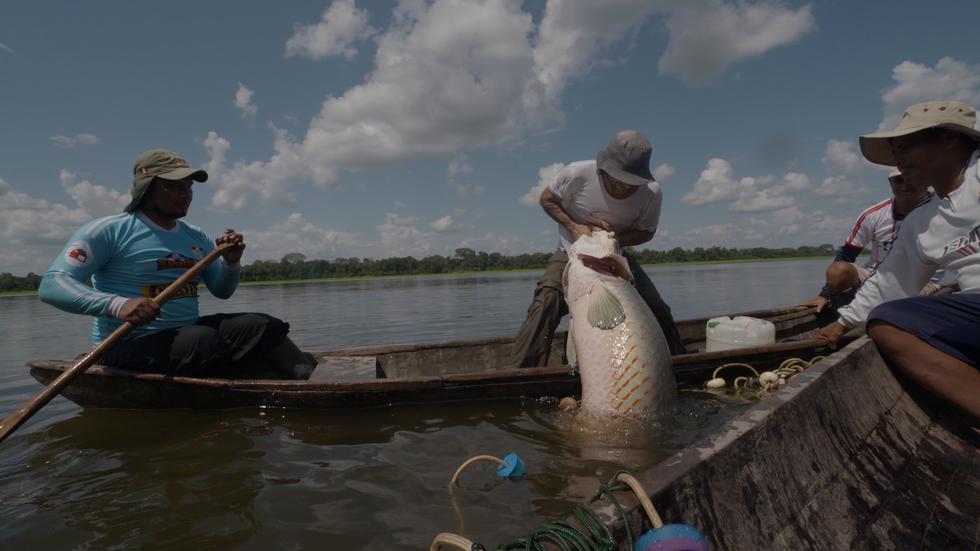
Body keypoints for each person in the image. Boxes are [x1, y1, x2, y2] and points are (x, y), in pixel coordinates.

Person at [39, 149, 317, 379]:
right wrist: (118, 304)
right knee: (202, 341)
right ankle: (256, 378)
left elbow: (221, 291)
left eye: (188, 186)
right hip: (127, 345)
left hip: (189, 334)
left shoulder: (196, 237)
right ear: (146, 188)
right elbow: (52, 284)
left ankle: (307, 379)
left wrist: (231, 264)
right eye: (173, 186)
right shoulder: (108, 231)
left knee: (261, 324)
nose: (185, 194)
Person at [815, 100, 980, 422]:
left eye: (905, 147)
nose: (898, 161)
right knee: (887, 322)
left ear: (949, 140)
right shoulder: (923, 220)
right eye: (894, 153)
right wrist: (842, 323)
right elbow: (892, 281)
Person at [511, 130, 685, 368]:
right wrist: (575, 227)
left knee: (656, 307)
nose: (624, 185)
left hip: (615, 253)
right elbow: (547, 199)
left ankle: (678, 362)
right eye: (618, 178)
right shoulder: (577, 173)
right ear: (605, 167)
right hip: (572, 251)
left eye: (631, 180)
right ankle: (522, 372)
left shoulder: (651, 194)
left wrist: (615, 237)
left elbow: (647, 231)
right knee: (546, 302)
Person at [798, 167, 938, 313]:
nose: (905, 186)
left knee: (892, 294)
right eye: (899, 180)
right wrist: (824, 295)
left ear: (925, 181)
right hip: (876, 275)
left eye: (911, 179)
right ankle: (844, 316)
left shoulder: (941, 207)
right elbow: (846, 255)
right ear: (891, 183)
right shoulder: (874, 215)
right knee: (837, 271)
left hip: (922, 281)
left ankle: (864, 317)